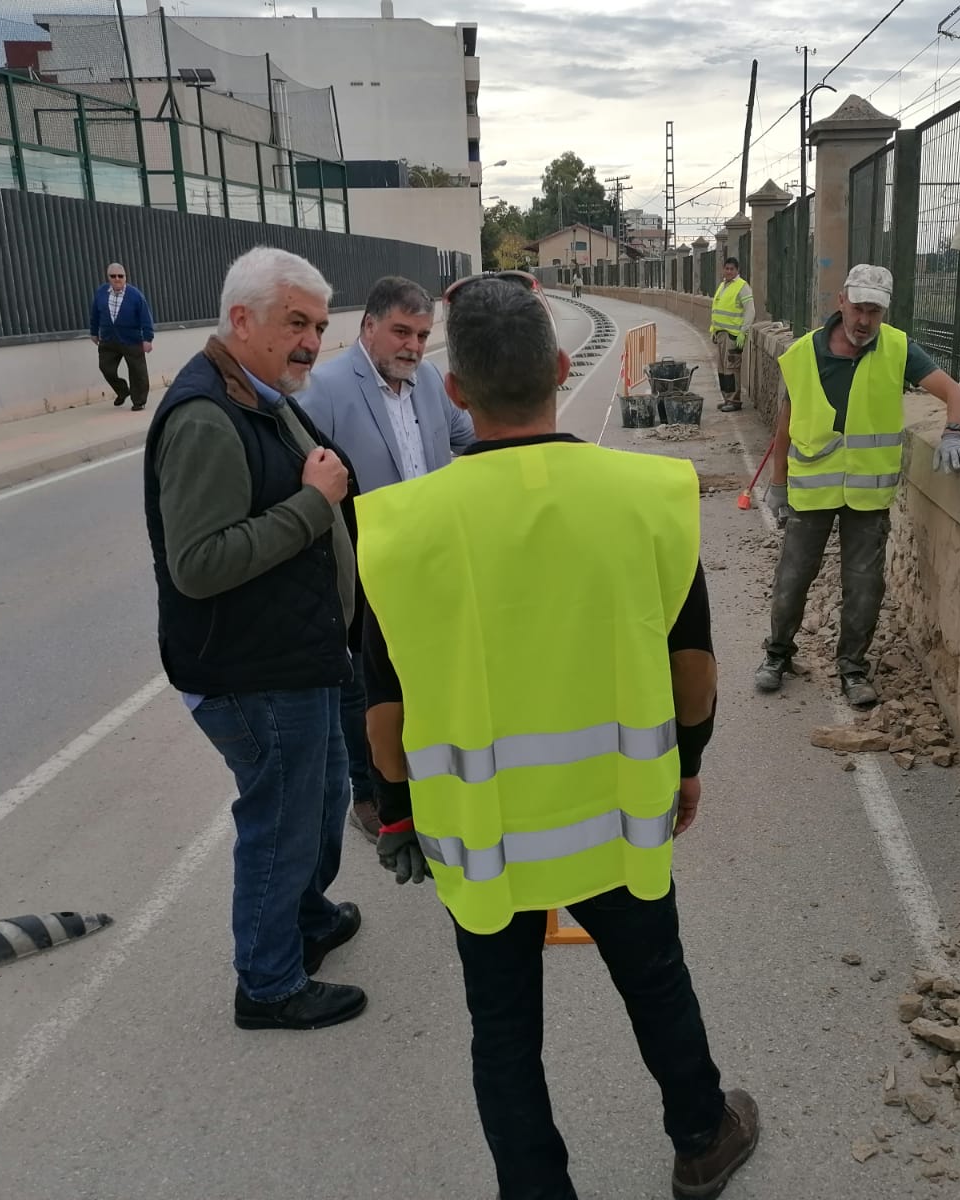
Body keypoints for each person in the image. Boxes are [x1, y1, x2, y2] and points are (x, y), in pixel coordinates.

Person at [355, 277, 759, 1200]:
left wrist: (400, 817)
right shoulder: (648, 495)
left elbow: (385, 716)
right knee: (655, 978)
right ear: (553, 368)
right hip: (616, 815)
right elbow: (692, 670)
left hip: (482, 834)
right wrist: (686, 767)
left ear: (455, 392)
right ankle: (701, 1135)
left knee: (502, 1029)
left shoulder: (405, 527)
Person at [143, 246, 367, 1032]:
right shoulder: (208, 417)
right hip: (254, 671)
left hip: (300, 655)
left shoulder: (264, 395)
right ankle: (268, 985)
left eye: (318, 325)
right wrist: (314, 506)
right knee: (280, 818)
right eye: (294, 323)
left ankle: (304, 917)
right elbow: (198, 564)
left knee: (324, 796)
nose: (311, 341)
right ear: (241, 320)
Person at [301, 275, 475, 844]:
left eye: (423, 335)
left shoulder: (428, 381)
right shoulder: (324, 390)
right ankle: (369, 794)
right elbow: (304, 484)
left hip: (432, 563)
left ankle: (423, 778)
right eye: (402, 331)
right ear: (368, 327)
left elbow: (467, 436)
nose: (414, 346)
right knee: (366, 689)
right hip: (364, 569)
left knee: (427, 677)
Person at [755, 263, 960, 709]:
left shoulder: (897, 349)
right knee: (793, 578)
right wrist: (778, 484)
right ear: (841, 302)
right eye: (858, 309)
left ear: (884, 312)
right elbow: (786, 424)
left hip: (867, 498)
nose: (863, 321)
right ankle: (777, 655)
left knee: (864, 585)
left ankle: (853, 668)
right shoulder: (801, 354)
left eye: (874, 312)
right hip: (812, 491)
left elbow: (956, 393)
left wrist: (953, 431)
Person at [89, 261, 155, 411]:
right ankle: (122, 390)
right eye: (113, 276)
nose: (117, 279)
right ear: (108, 278)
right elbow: (95, 315)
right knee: (106, 368)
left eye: (120, 276)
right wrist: (94, 332)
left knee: (137, 371)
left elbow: (145, 317)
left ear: (125, 277)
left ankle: (138, 401)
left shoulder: (135, 295)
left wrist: (147, 338)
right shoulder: (101, 293)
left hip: (131, 340)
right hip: (108, 340)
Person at [708, 257, 755, 413]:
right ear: (723, 269)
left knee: (732, 368)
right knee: (722, 369)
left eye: (732, 269)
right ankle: (727, 398)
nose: (728, 271)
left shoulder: (742, 287)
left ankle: (735, 400)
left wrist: (743, 332)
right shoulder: (723, 286)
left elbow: (750, 311)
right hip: (721, 334)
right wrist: (713, 330)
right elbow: (716, 309)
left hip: (734, 335)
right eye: (726, 268)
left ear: (737, 270)